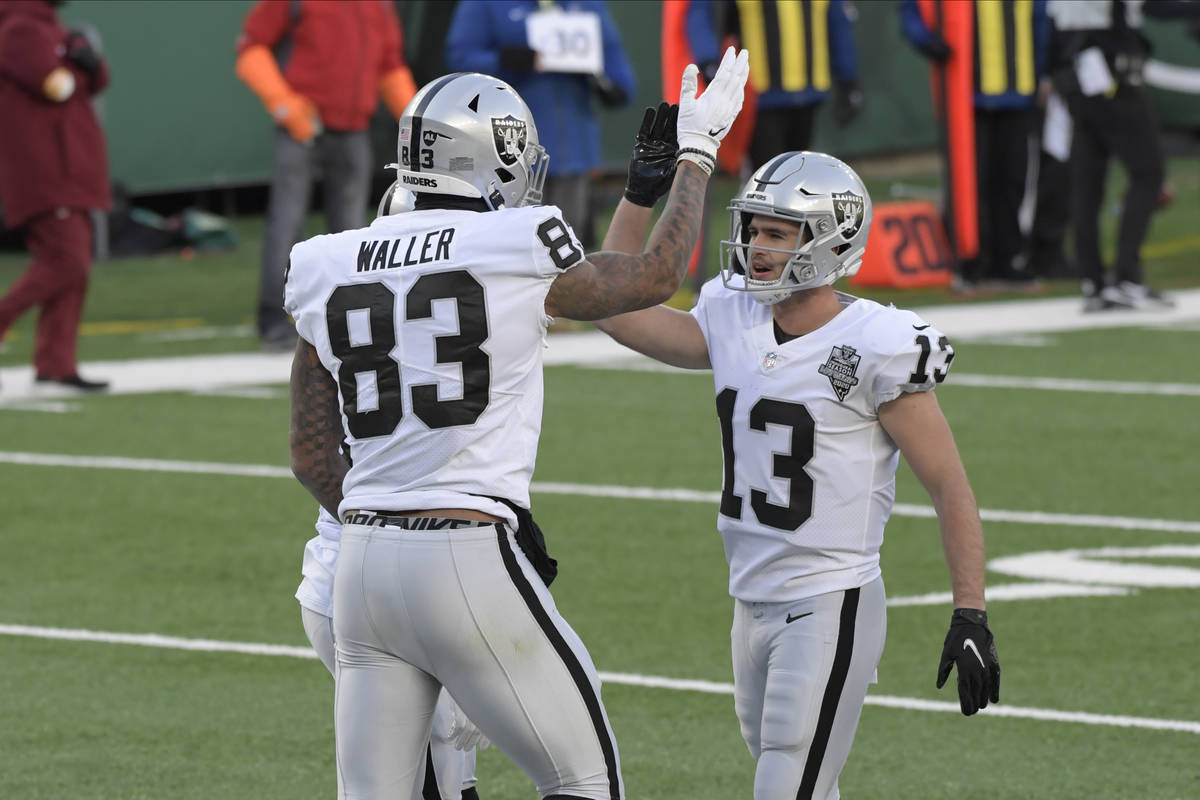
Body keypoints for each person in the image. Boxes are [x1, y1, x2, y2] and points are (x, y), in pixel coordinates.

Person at [285, 48, 750, 799]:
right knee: (584, 782)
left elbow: (310, 455)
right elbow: (659, 276)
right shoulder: (519, 241)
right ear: (490, 157)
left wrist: (391, 513)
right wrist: (698, 154)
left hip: (361, 568)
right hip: (464, 554)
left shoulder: (321, 261)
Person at [594, 149, 1000, 799]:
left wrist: (970, 613)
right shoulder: (732, 313)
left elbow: (949, 486)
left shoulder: (875, 343)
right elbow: (614, 308)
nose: (756, 244)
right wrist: (640, 193)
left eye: (777, 231)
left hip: (829, 603)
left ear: (827, 239)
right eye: (754, 227)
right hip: (749, 603)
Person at [295, 187, 485, 800]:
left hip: (350, 577)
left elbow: (310, 455)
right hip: (401, 580)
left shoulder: (339, 299)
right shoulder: (471, 306)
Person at [235, 0, 419, 350]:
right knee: (287, 223)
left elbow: (389, 66)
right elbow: (250, 49)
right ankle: (275, 319)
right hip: (302, 125)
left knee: (350, 231)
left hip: (353, 128)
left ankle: (347, 320)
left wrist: (417, 123)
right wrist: (284, 104)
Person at [444, 0, 636, 248]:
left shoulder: (588, 5)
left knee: (567, 247)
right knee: (511, 247)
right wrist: (505, 61)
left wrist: (609, 84)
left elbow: (620, 76)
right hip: (508, 154)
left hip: (574, 152)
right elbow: (460, 57)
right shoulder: (484, 4)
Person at [1046, 0, 1192, 311]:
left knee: (1087, 181)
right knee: (1148, 173)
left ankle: (1093, 282)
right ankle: (1127, 279)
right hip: (1112, 71)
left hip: (1074, 74)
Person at [0, 0, 111, 392]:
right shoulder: (20, 29)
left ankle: (56, 364)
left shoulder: (52, 29)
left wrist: (87, 61)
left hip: (71, 170)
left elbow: (98, 81)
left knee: (74, 269)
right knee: (65, 262)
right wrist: (75, 64)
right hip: (46, 172)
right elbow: (57, 87)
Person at [901, 0, 1051, 288]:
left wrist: (1042, 73)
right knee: (970, 182)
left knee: (1012, 179)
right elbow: (912, 10)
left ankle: (1007, 259)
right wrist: (926, 40)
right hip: (965, 95)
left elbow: (1040, 20)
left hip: (1017, 92)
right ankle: (969, 259)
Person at [686, 0, 863, 171]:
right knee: (766, 176)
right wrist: (708, 60)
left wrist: (848, 79)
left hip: (809, 96)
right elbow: (703, 14)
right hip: (759, 99)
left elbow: (838, 21)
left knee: (798, 173)